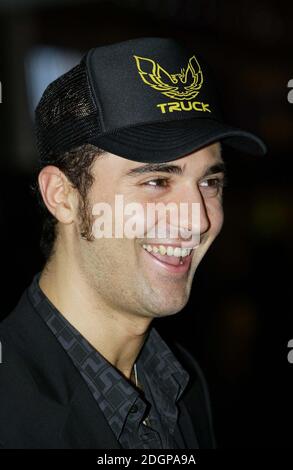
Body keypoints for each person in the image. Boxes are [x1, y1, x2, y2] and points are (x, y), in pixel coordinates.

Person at [0, 37, 266, 449]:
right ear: (62, 196)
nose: (196, 219)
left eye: (210, 182)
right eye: (157, 181)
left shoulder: (183, 382)